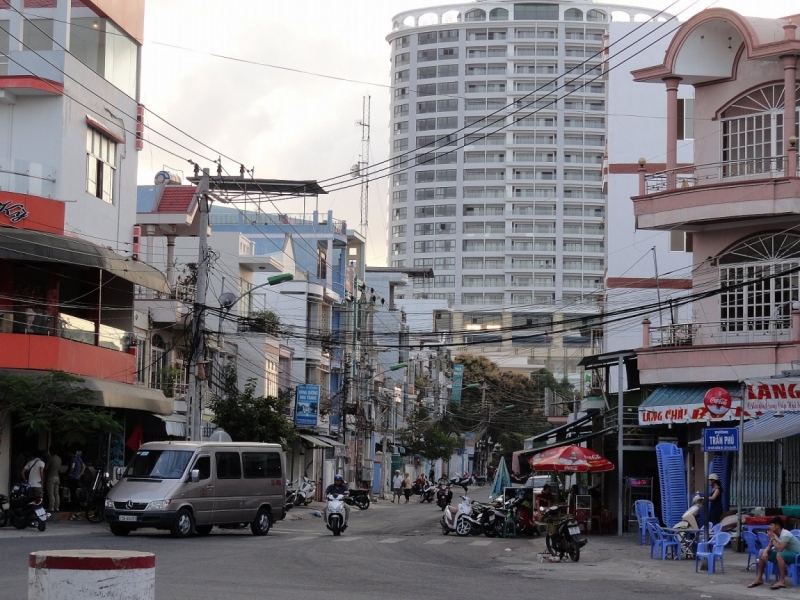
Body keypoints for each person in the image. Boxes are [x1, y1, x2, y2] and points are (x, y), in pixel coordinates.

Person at [748, 516, 800, 589]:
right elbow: (769, 546)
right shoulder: (775, 534)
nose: (769, 527)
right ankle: (759, 578)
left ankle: (782, 581)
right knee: (762, 552)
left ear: (777, 526)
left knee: (779, 555)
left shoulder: (785, 534)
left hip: (796, 555)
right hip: (785, 553)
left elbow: (780, 549)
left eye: (771, 525)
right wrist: (765, 551)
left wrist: (772, 538)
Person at [44, 446, 62, 513]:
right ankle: (56, 507)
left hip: (51, 477)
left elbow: (46, 468)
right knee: (56, 493)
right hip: (57, 477)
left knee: (50, 493)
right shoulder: (59, 459)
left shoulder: (50, 459)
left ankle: (51, 507)